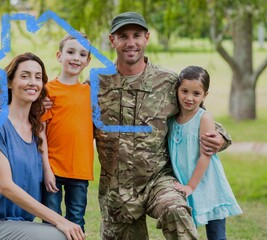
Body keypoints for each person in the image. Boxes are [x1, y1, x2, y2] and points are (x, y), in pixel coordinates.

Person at [93, 12, 232, 240]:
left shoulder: (168, 82)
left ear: (146, 38)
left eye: (136, 35)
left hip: (159, 181)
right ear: (112, 40)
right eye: (123, 36)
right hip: (117, 191)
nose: (131, 43)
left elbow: (198, 115)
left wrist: (221, 137)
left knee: (176, 210)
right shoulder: (96, 85)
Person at [0, 52, 85, 240]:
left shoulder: (37, 132)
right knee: (60, 236)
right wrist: (60, 220)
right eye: (24, 76)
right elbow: (6, 187)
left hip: (19, 224)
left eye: (38, 77)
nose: (32, 82)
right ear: (9, 82)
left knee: (69, 234)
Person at [167, 66, 242, 240]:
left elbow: (205, 155)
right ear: (177, 90)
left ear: (204, 95)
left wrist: (191, 186)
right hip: (185, 181)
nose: (189, 98)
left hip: (207, 185)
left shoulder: (204, 118)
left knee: (216, 234)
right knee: (187, 231)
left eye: (196, 93)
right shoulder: (172, 118)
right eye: (184, 91)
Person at [41, 34, 93, 232]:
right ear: (59, 56)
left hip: (80, 170)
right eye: (70, 52)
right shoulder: (47, 91)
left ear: (88, 61)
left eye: (82, 54)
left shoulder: (90, 93)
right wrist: (46, 169)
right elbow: (41, 134)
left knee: (76, 222)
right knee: (51, 223)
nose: (76, 58)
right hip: (53, 169)